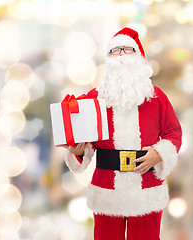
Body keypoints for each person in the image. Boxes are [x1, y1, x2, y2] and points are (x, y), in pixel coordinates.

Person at [64, 27, 182, 240]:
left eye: (127, 49)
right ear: (107, 59)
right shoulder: (94, 98)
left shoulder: (156, 98)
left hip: (146, 187)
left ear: (139, 57)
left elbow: (173, 132)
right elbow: (84, 142)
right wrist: (77, 150)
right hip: (107, 188)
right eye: (115, 50)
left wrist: (159, 153)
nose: (121, 56)